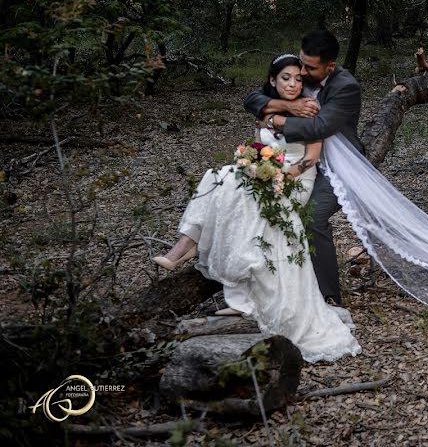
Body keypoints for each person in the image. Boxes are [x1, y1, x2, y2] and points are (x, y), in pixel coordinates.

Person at [151, 54, 361, 363]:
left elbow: (311, 157)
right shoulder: (266, 110)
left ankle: (192, 245)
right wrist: (251, 162)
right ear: (273, 80)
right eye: (285, 78)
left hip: (296, 179)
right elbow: (260, 147)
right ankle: (191, 244)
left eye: (298, 79)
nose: (292, 84)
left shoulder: (309, 110)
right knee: (221, 176)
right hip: (270, 175)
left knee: (232, 185)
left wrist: (280, 177)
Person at [243, 29, 362, 306]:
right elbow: (252, 99)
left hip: (338, 166)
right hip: (299, 161)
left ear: (329, 66)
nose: (302, 73)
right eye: (301, 62)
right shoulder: (298, 74)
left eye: (310, 67)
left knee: (312, 218)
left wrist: (276, 122)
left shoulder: (346, 87)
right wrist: (286, 105)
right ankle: (276, 289)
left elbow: (320, 126)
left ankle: (329, 296)